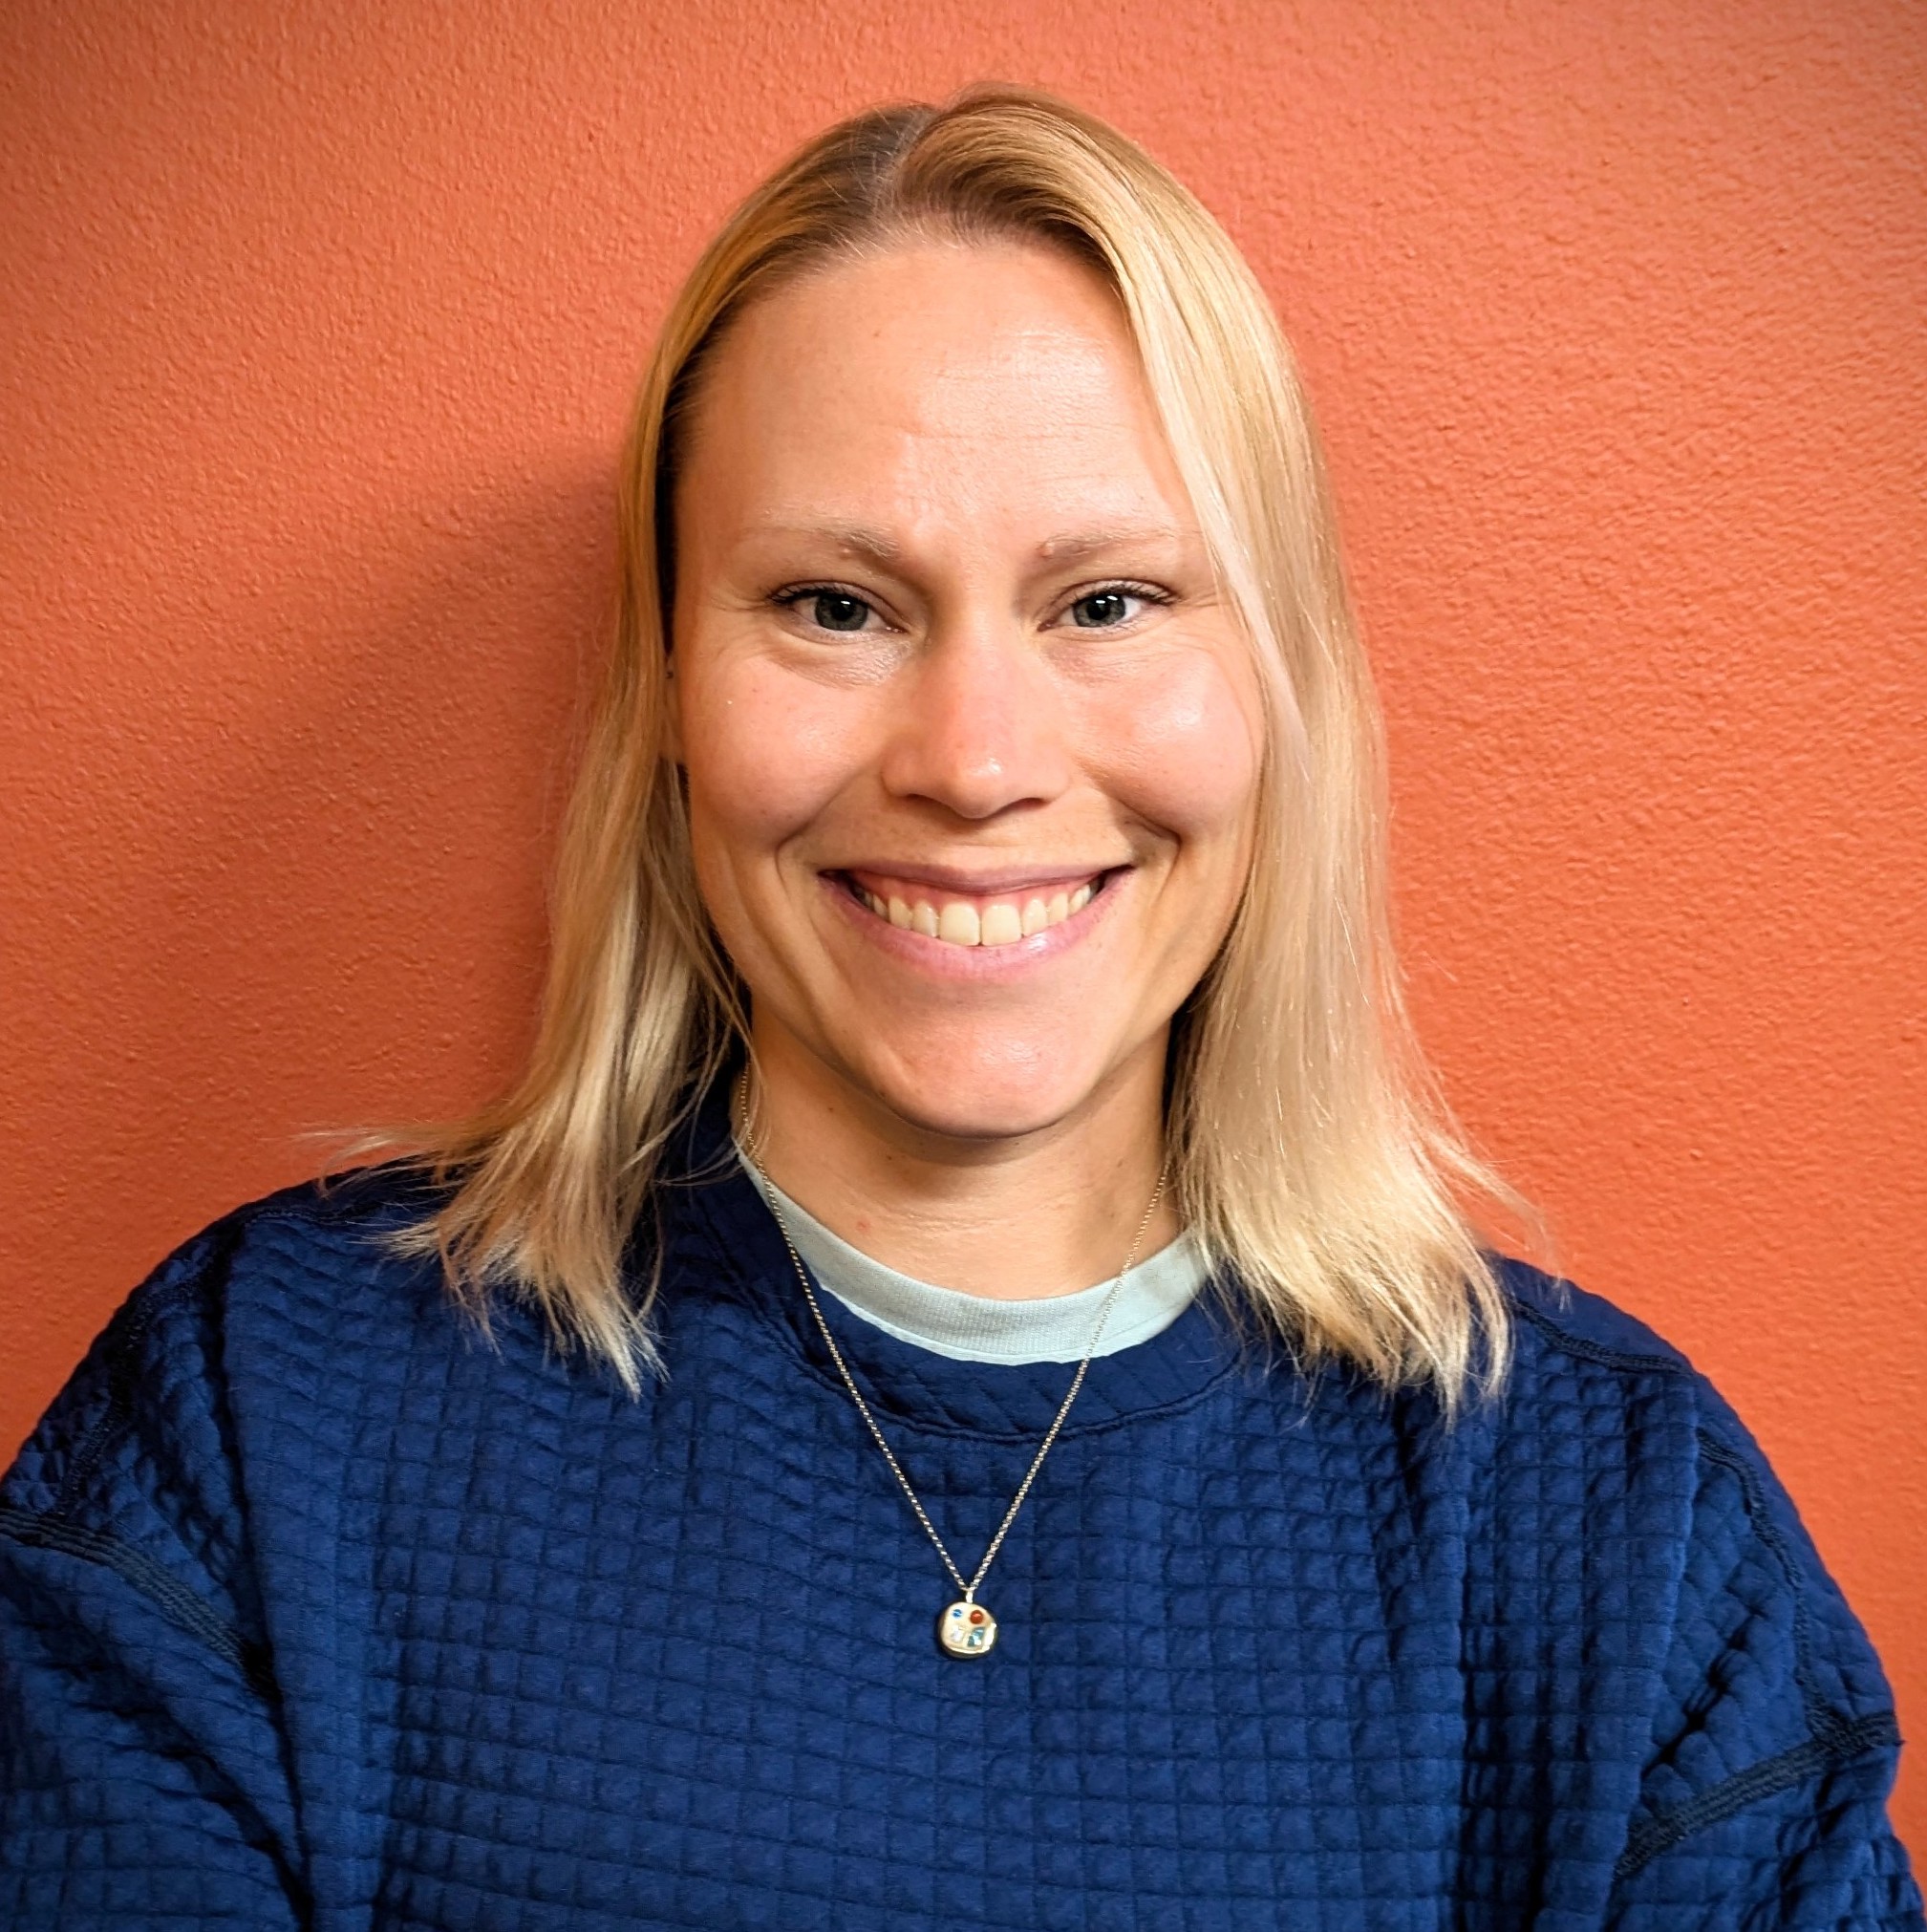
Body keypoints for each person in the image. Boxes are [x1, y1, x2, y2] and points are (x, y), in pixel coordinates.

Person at [1, 84, 1918, 1931]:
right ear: (669, 691)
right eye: (836, 604)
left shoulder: (1614, 1528)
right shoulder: (265, 1413)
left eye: (1108, 602)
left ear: (1280, 693)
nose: (976, 761)